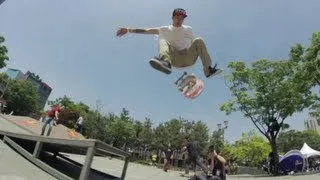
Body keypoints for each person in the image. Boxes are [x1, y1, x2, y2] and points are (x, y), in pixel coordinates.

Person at [116, 8, 223, 78]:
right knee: (162, 40)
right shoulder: (164, 29)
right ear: (172, 17)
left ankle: (208, 70)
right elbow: (147, 30)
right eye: (177, 17)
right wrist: (129, 30)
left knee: (199, 40)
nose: (179, 19)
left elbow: (197, 46)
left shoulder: (188, 29)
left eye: (181, 18)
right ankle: (165, 63)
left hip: (188, 57)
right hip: (174, 59)